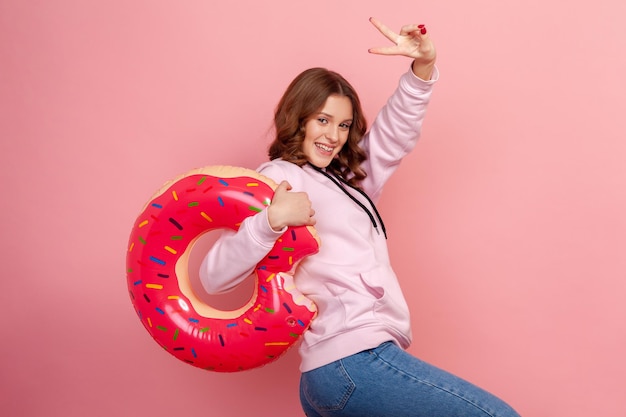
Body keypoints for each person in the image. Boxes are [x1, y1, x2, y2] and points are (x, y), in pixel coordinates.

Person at [200, 17, 521, 417]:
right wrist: (270, 221)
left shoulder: (348, 184)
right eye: (322, 120)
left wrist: (421, 70)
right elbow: (213, 277)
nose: (333, 135)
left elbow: (392, 133)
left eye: (344, 125)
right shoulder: (280, 178)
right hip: (351, 358)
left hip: (339, 370)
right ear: (297, 118)